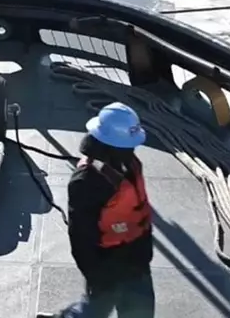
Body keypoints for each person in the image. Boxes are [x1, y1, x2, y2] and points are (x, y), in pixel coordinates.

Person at [38, 102, 156, 318]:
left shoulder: (128, 163)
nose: (133, 148)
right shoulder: (88, 181)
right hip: (106, 262)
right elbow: (81, 235)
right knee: (94, 312)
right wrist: (96, 275)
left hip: (136, 257)